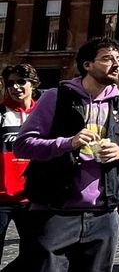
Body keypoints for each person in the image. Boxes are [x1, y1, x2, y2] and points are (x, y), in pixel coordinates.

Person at [14, 37, 119, 272]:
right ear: (87, 65)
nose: (116, 64)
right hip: (55, 212)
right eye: (107, 58)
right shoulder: (56, 97)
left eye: (118, 59)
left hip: (104, 214)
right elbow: (23, 145)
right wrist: (67, 143)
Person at [0, 64, 38, 268]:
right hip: (1, 197)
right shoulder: (0, 113)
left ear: (33, 84)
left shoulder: (43, 115)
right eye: (10, 83)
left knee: (34, 253)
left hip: (32, 198)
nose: (15, 87)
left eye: (21, 81)